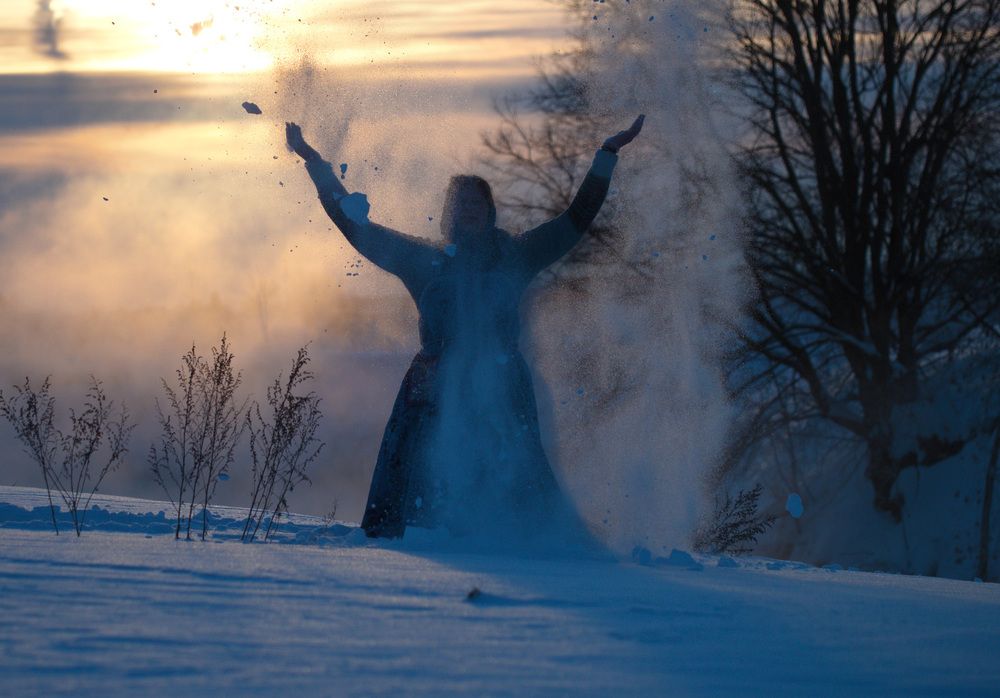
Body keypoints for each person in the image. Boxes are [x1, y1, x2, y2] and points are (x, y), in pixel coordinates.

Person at [286, 115, 644, 539]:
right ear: (447, 213)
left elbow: (576, 218)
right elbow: (355, 225)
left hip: (502, 384)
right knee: (423, 482)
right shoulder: (423, 260)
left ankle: (525, 543)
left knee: (513, 470)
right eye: (460, 203)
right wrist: (313, 161)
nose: (468, 209)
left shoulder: (517, 255)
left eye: (477, 203)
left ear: (489, 211)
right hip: (435, 387)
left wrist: (607, 154)